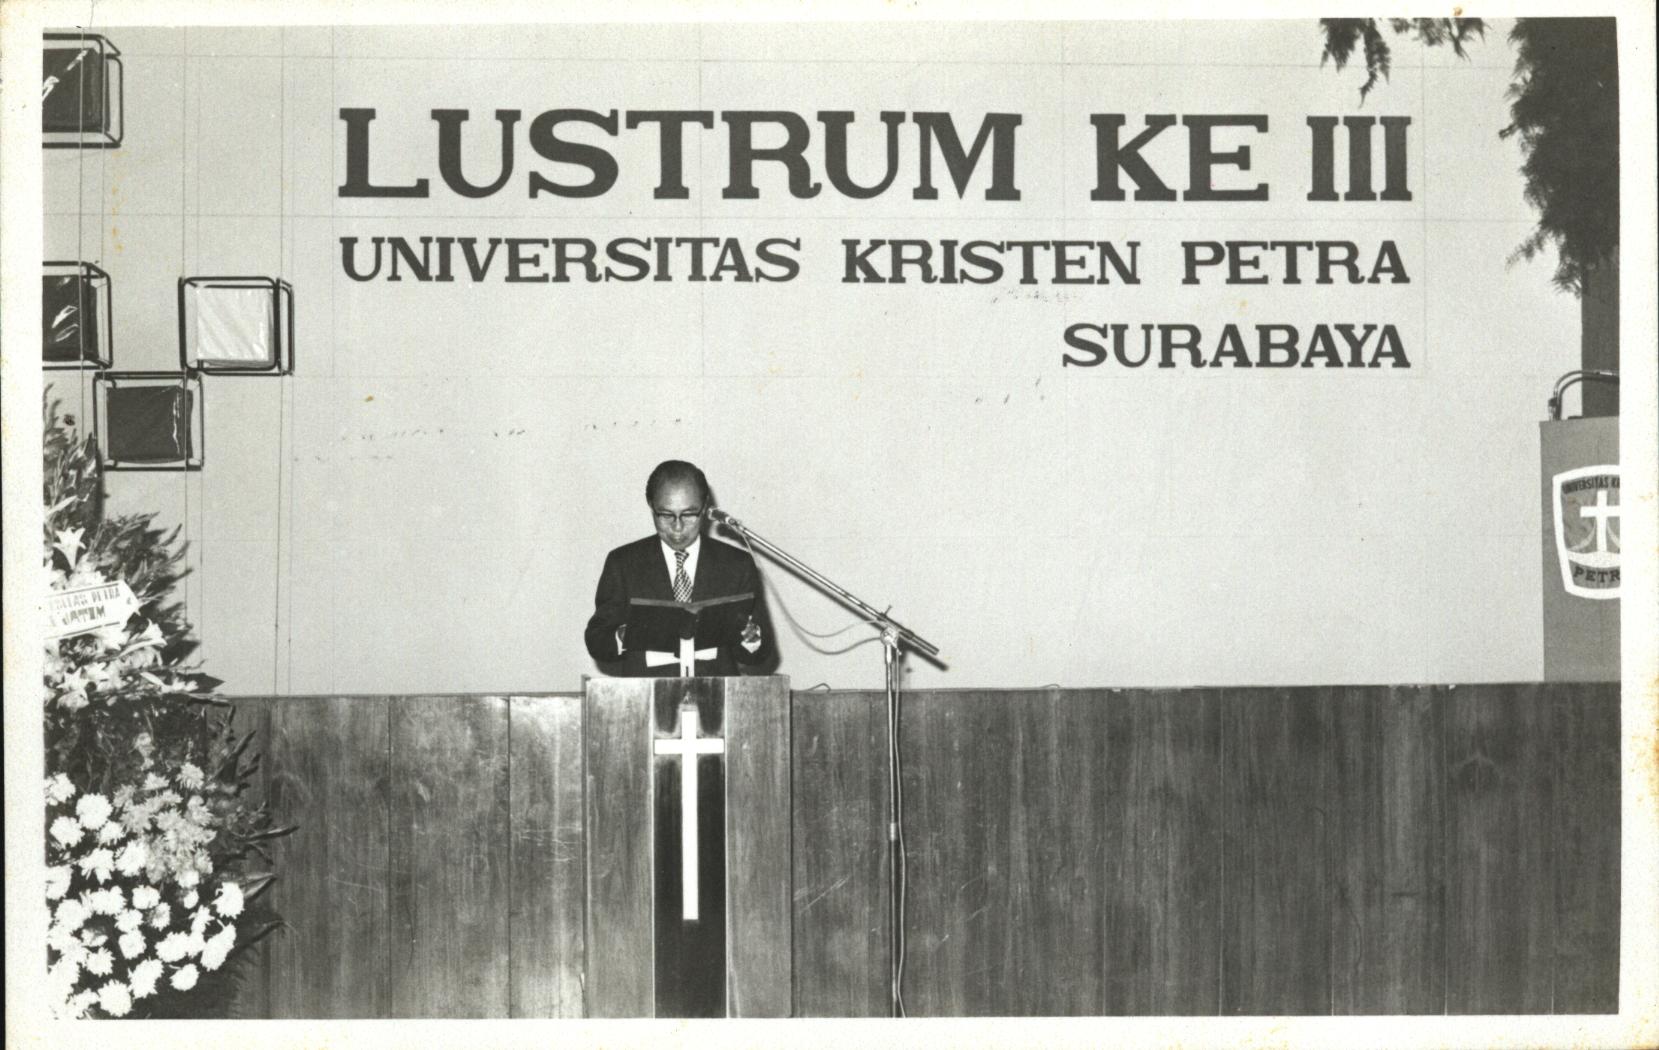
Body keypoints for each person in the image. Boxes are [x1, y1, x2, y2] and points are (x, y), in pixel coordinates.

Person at [584, 460, 777, 677]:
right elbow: (597, 641)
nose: (677, 527)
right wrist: (623, 635)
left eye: (689, 514)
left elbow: (761, 654)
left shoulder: (736, 564)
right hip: (645, 694)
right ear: (651, 506)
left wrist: (752, 639)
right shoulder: (623, 563)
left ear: (705, 507)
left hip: (717, 694)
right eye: (666, 515)